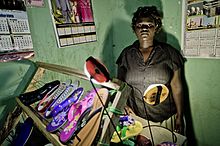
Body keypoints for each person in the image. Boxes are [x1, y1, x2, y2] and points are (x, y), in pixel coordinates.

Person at [116, 6, 185, 134]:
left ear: (156, 28)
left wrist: (180, 115)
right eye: (140, 25)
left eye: (149, 25)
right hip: (136, 119)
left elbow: (177, 86)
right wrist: (123, 105)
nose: (144, 29)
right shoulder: (126, 55)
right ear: (134, 28)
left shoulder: (170, 53)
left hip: (165, 117)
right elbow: (120, 85)